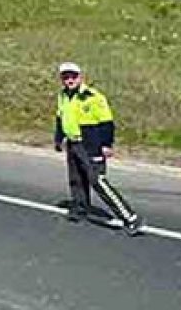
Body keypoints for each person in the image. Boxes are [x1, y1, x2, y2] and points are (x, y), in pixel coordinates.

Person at [53, 62, 143, 235]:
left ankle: (129, 217)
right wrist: (59, 139)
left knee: (97, 180)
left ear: (80, 77)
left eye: (73, 76)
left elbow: (107, 123)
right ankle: (80, 208)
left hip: (91, 144)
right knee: (76, 178)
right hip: (73, 142)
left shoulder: (93, 97)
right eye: (65, 77)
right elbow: (60, 118)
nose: (69, 80)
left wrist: (106, 144)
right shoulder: (63, 96)